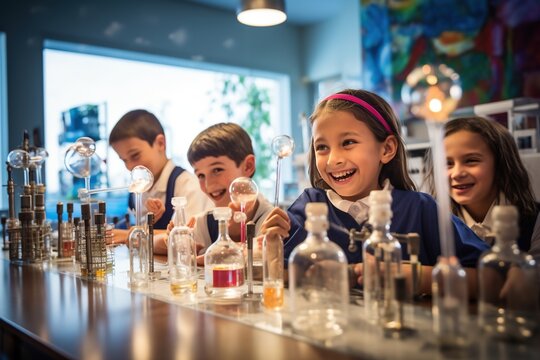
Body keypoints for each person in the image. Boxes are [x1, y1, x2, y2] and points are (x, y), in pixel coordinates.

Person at [260, 89, 489, 296]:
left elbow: (495, 277)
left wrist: (418, 278)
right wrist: (271, 254)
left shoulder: (421, 209)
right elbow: (283, 276)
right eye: (322, 147)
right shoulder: (309, 207)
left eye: (348, 142)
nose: (333, 160)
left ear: (387, 149)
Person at [158, 122, 273, 264]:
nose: (208, 184)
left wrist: (213, 257)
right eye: (200, 175)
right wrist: (172, 241)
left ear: (248, 166)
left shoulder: (271, 221)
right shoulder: (203, 223)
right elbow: (160, 244)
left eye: (217, 170)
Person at [424, 116, 540, 252]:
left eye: (471, 160)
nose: (456, 173)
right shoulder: (432, 221)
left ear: (501, 164)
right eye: (447, 163)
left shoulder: (535, 221)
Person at [108, 109, 213, 242]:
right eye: (124, 160)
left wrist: (128, 235)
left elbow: (187, 238)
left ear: (160, 143)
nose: (130, 167)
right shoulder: (136, 192)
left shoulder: (188, 185)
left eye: (135, 155)